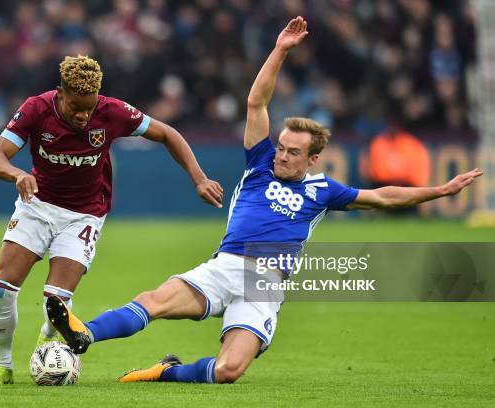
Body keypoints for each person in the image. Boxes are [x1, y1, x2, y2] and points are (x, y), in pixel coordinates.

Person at [46, 17, 482, 384]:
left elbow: (385, 196)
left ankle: (163, 373)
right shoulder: (259, 163)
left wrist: (440, 190)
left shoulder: (324, 191)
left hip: (266, 283)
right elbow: (257, 101)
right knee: (157, 301)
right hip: (228, 263)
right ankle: (82, 333)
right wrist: (280, 50)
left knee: (229, 371)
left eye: (293, 152)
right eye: (282, 146)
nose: (282, 155)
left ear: (313, 158)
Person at [0, 55, 223, 385]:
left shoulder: (112, 112)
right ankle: (2, 367)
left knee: (57, 302)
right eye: (76, 107)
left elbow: (167, 133)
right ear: (60, 94)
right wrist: (17, 174)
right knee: (4, 287)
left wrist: (199, 178)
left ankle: (46, 345)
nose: (83, 115)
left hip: (84, 215)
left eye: (89, 108)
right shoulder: (36, 109)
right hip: (36, 205)